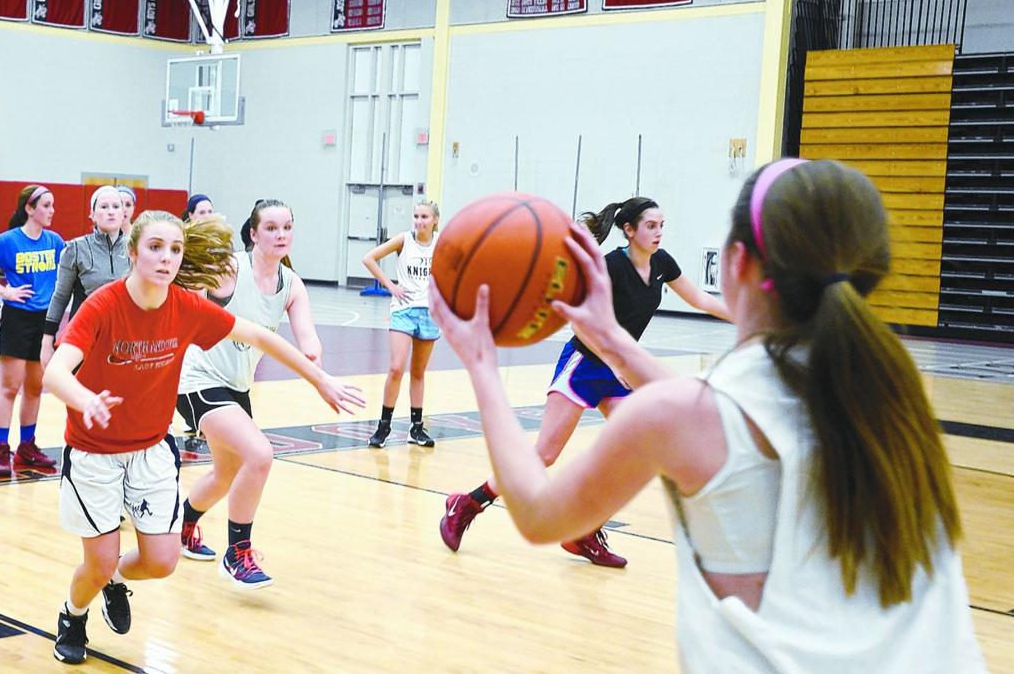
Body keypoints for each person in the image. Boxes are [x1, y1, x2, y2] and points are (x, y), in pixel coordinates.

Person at [429, 159, 985, 671]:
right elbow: (703, 412)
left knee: (561, 465)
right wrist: (611, 340)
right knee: (552, 451)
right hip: (593, 359)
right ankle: (502, 510)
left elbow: (539, 512)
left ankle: (552, 522)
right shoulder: (894, 392)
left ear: (737, 263)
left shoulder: (686, 414)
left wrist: (482, 364)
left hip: (618, 368)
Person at [42, 211, 365, 664]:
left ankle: (112, 578)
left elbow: (259, 337)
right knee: (94, 563)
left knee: (161, 562)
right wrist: (84, 399)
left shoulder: (186, 307)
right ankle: (73, 614)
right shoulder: (103, 304)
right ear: (132, 253)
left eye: (175, 249)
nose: (166, 258)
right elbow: (55, 373)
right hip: (95, 453)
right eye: (155, 247)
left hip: (152, 449)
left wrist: (320, 379)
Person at [439, 196, 731, 567]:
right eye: (651, 226)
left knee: (642, 449)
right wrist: (614, 359)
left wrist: (751, 317)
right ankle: (466, 504)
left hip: (617, 367)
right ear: (629, 230)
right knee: (544, 454)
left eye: (662, 226)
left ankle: (584, 531)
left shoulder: (662, 264)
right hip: (586, 362)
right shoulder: (609, 267)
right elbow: (581, 323)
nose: (659, 233)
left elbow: (701, 299)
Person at [176, 199, 322, 588]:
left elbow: (307, 339)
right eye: (271, 228)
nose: (281, 235)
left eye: (287, 227)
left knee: (228, 474)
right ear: (253, 234)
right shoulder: (229, 269)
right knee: (259, 455)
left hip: (238, 386)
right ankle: (237, 553)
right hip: (197, 379)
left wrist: (313, 357)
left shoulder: (291, 285)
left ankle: (183, 523)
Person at [0, 185, 66, 477]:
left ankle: (27, 446)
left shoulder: (55, 241)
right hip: (16, 318)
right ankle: (0, 449)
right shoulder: (9, 241)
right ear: (30, 209)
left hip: (44, 321)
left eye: (52, 205)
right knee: (10, 387)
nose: (52, 211)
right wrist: (3, 290)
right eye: (46, 205)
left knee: (35, 387)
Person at [361, 201, 441, 448]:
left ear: (435, 220)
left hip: (430, 312)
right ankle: (383, 427)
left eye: (424, 216)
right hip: (403, 310)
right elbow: (369, 258)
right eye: (416, 216)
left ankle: (416, 429)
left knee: (418, 373)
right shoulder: (404, 240)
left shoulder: (442, 243)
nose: (419, 221)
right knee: (396, 368)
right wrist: (390, 285)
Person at [41, 186, 129, 364]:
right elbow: (60, 296)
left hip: (123, 339)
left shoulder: (136, 248)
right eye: (104, 207)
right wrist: (46, 341)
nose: (111, 212)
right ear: (92, 214)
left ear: (123, 213)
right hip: (83, 337)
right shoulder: (75, 248)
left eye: (116, 206)